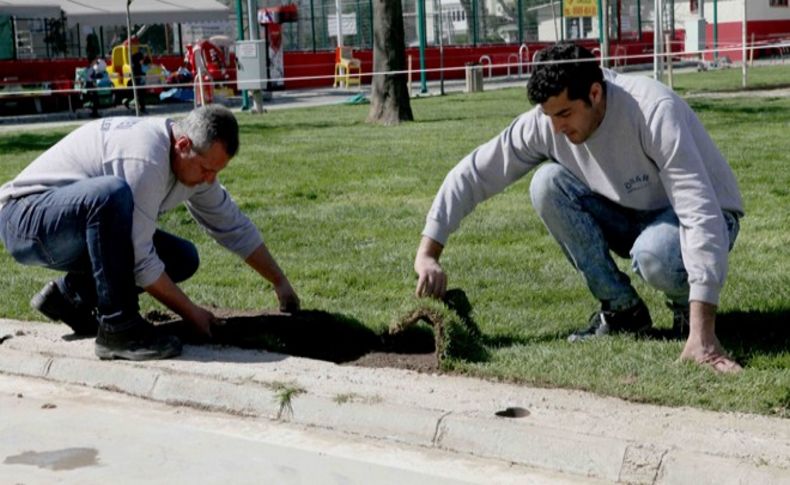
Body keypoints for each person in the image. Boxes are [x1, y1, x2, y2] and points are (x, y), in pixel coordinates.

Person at [413, 43, 744, 373]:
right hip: (627, 214)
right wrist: (429, 252)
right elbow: (475, 173)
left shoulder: (652, 110)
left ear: (595, 93)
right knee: (547, 184)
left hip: (708, 216)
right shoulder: (548, 123)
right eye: (549, 116)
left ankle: (690, 315)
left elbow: (699, 213)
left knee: (654, 253)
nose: (555, 127)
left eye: (564, 114)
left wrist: (704, 337)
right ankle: (622, 311)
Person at [0, 105, 300, 361]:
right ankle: (119, 329)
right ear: (183, 145)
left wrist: (280, 282)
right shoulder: (145, 157)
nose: (210, 179)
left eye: (217, 172)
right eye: (207, 169)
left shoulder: (192, 166)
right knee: (109, 194)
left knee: (181, 258)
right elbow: (139, 258)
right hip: (25, 221)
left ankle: (70, 299)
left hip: (67, 225)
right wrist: (192, 313)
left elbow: (233, 226)